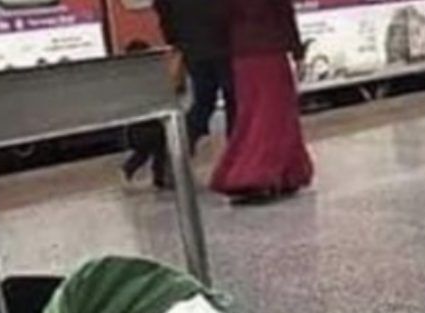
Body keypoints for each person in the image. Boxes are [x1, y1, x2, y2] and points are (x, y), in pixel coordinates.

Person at [211, 0, 314, 205]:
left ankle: (277, 171)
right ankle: (256, 175)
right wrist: (298, 52)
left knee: (252, 114)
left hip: (241, 53)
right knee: (276, 114)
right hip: (269, 50)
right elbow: (283, 13)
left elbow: (218, 18)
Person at [121, 3, 236, 187]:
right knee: (234, 101)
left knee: (203, 104)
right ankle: (236, 158)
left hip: (192, 45)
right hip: (222, 41)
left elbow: (164, 13)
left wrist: (177, 41)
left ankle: (175, 163)